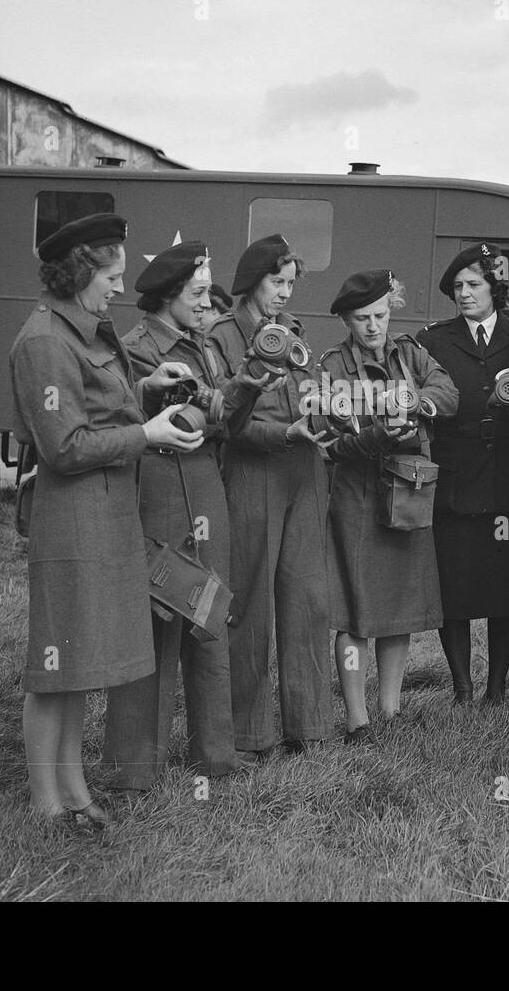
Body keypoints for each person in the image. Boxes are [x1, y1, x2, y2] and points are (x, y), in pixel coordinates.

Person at [10, 213, 203, 832]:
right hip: (73, 519)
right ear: (77, 272)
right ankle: (46, 801)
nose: (120, 287)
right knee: (55, 668)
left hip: (103, 512)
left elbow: (94, 406)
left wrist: (146, 388)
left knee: (76, 664)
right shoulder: (45, 341)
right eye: (111, 276)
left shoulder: (80, 328)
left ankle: (72, 790)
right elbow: (63, 445)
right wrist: (146, 435)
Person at [102, 240, 266, 790]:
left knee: (210, 610)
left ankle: (215, 754)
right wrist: (231, 392)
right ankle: (133, 768)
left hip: (204, 484)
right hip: (160, 488)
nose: (205, 302)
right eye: (196, 293)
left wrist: (247, 387)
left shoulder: (202, 343)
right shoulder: (137, 348)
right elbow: (170, 417)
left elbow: (226, 422)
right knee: (156, 617)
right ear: (168, 293)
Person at [207, 233, 334, 757]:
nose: (284, 292)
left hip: (304, 471)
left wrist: (327, 411)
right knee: (251, 601)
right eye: (276, 282)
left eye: (290, 284)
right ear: (251, 281)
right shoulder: (223, 336)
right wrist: (285, 433)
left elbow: (310, 395)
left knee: (309, 600)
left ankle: (310, 727)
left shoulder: (294, 331)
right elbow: (228, 423)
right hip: (253, 471)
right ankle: (249, 733)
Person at [321, 269, 459, 742]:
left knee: (399, 605)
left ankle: (391, 709)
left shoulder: (411, 352)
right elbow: (331, 442)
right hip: (357, 493)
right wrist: (376, 432)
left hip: (407, 491)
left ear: (391, 310)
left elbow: (448, 394)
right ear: (347, 320)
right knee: (355, 612)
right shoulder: (333, 365)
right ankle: (357, 719)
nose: (373, 326)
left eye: (380, 315)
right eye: (362, 318)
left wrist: (414, 401)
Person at [416, 243, 509, 704]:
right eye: (457, 287)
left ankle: (497, 686)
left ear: (494, 288)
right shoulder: (433, 340)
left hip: (508, 474)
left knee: (507, 584)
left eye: (474, 284)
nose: (464, 294)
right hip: (456, 476)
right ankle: (462, 687)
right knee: (456, 585)